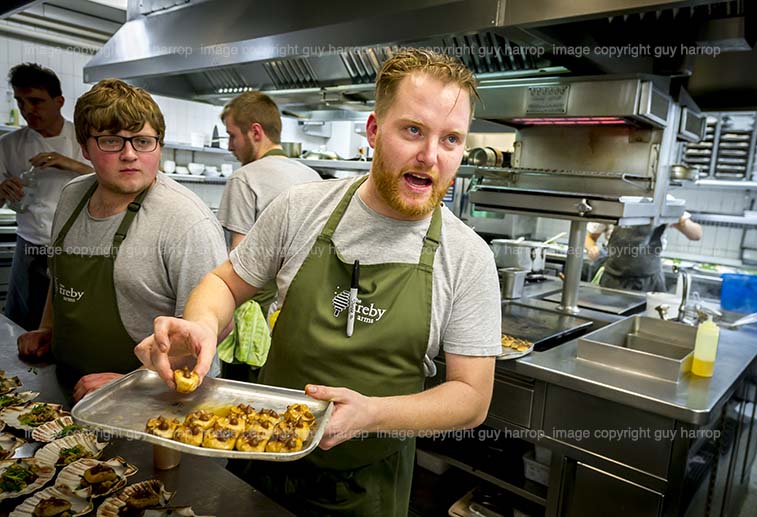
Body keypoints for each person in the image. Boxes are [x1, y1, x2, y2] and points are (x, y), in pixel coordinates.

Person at [135, 48, 501, 516]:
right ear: (373, 130)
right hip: (257, 453)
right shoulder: (300, 209)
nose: (430, 156)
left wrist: (373, 414)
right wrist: (204, 325)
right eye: (412, 130)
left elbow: (471, 398)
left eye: (450, 139)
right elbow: (226, 283)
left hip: (366, 485)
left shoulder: (468, 257)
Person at [16, 79, 226, 402]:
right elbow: (59, 278)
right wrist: (48, 329)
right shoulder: (72, 196)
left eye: (143, 141)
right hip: (64, 393)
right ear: (84, 148)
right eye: (111, 141)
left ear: (159, 145)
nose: (130, 155)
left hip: (147, 411)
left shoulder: (186, 221)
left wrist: (134, 385)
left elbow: (207, 343)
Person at [217, 92, 320, 380]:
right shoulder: (312, 176)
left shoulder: (244, 178)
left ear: (256, 132)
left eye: (232, 136)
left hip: (258, 319)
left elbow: (240, 263)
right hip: (303, 316)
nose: (230, 146)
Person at [0, 63, 94, 331]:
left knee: (70, 325)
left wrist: (70, 164)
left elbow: (109, 182)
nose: (28, 110)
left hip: (76, 248)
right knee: (20, 323)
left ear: (59, 101)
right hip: (29, 247)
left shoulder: (82, 140)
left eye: (36, 101)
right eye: (21, 101)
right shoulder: (9, 145)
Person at [585, 210, 702, 292]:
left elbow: (696, 234)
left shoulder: (663, 200)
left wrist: (680, 218)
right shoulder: (613, 201)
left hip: (651, 281)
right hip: (614, 280)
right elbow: (590, 238)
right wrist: (592, 248)